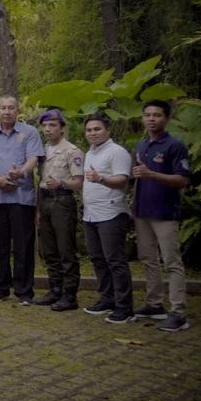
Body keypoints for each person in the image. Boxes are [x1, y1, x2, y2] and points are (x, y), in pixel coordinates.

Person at [132, 100, 192, 332]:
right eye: (147, 114)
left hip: (165, 213)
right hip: (142, 212)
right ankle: (154, 303)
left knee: (171, 262)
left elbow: (182, 180)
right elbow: (138, 178)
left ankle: (178, 313)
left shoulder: (175, 146)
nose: (151, 119)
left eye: (157, 115)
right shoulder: (142, 144)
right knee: (148, 259)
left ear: (166, 118)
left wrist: (152, 174)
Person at [0, 96, 44, 305]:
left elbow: (34, 158)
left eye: (11, 108)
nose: (7, 111)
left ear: (17, 111)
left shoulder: (30, 132)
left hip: (22, 197)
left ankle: (24, 291)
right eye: (3, 108)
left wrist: (21, 172)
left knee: (23, 246)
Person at [81, 114, 135, 324]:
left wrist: (100, 178)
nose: (92, 133)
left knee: (115, 260)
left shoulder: (117, 152)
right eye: (89, 130)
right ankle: (107, 299)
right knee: (97, 258)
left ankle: (124, 307)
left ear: (107, 130)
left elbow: (122, 180)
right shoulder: (90, 153)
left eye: (97, 129)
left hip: (111, 213)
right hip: (91, 214)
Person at [35, 109, 83, 312]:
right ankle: (55, 289)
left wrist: (61, 183)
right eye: (45, 126)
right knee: (49, 250)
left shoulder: (72, 151)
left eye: (52, 125)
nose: (47, 129)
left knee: (66, 249)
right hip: (44, 201)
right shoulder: (43, 149)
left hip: (62, 201)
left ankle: (70, 294)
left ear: (62, 128)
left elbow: (78, 182)